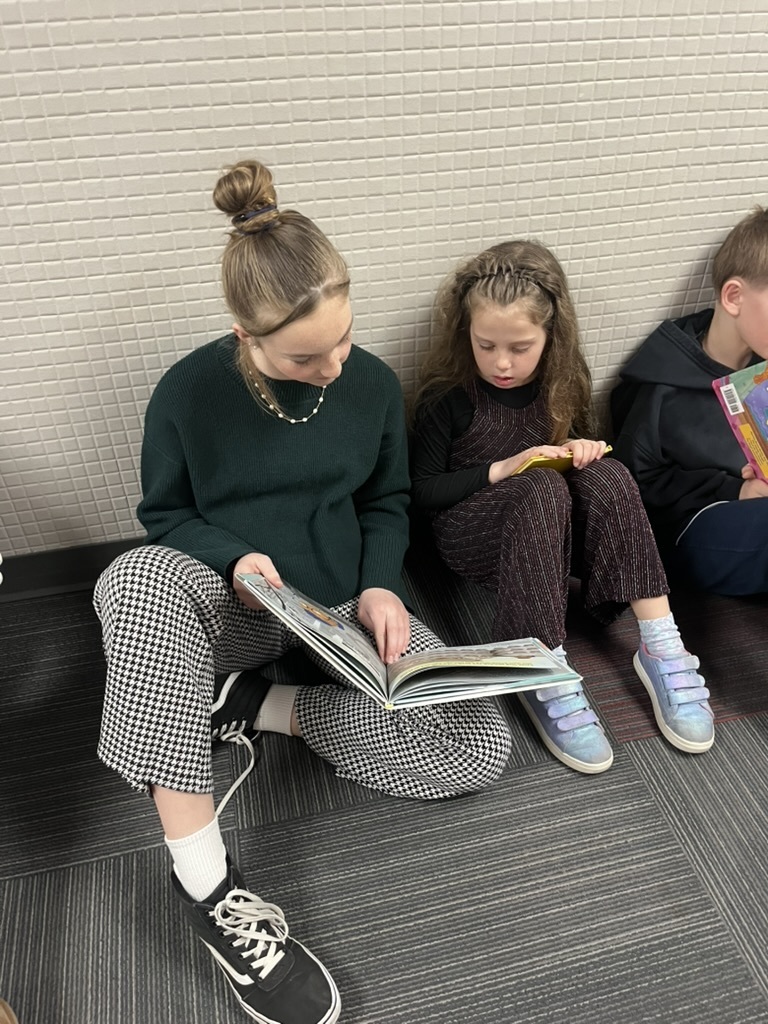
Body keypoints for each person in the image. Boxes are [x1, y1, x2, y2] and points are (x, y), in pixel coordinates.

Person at [93, 160, 512, 1024]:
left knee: (478, 744)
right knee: (132, 582)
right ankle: (209, 888)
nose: (333, 366)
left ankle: (261, 708)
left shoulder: (369, 384)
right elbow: (163, 515)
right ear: (244, 335)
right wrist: (236, 559)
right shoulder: (187, 394)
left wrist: (379, 586)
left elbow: (385, 501)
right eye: (304, 355)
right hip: (236, 609)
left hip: (341, 617)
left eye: (344, 340)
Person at [410, 239, 714, 776]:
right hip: (471, 531)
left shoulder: (561, 386)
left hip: (546, 531)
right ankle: (537, 663)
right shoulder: (449, 397)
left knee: (607, 473)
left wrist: (581, 449)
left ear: (550, 338)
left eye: (520, 347)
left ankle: (661, 646)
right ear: (467, 336)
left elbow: (573, 465)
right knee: (539, 487)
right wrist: (503, 468)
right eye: (486, 345)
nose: (501, 363)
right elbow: (422, 492)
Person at [611, 206, 768, 595]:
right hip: (693, 528)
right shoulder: (661, 385)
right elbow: (633, 491)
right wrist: (733, 491)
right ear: (734, 297)